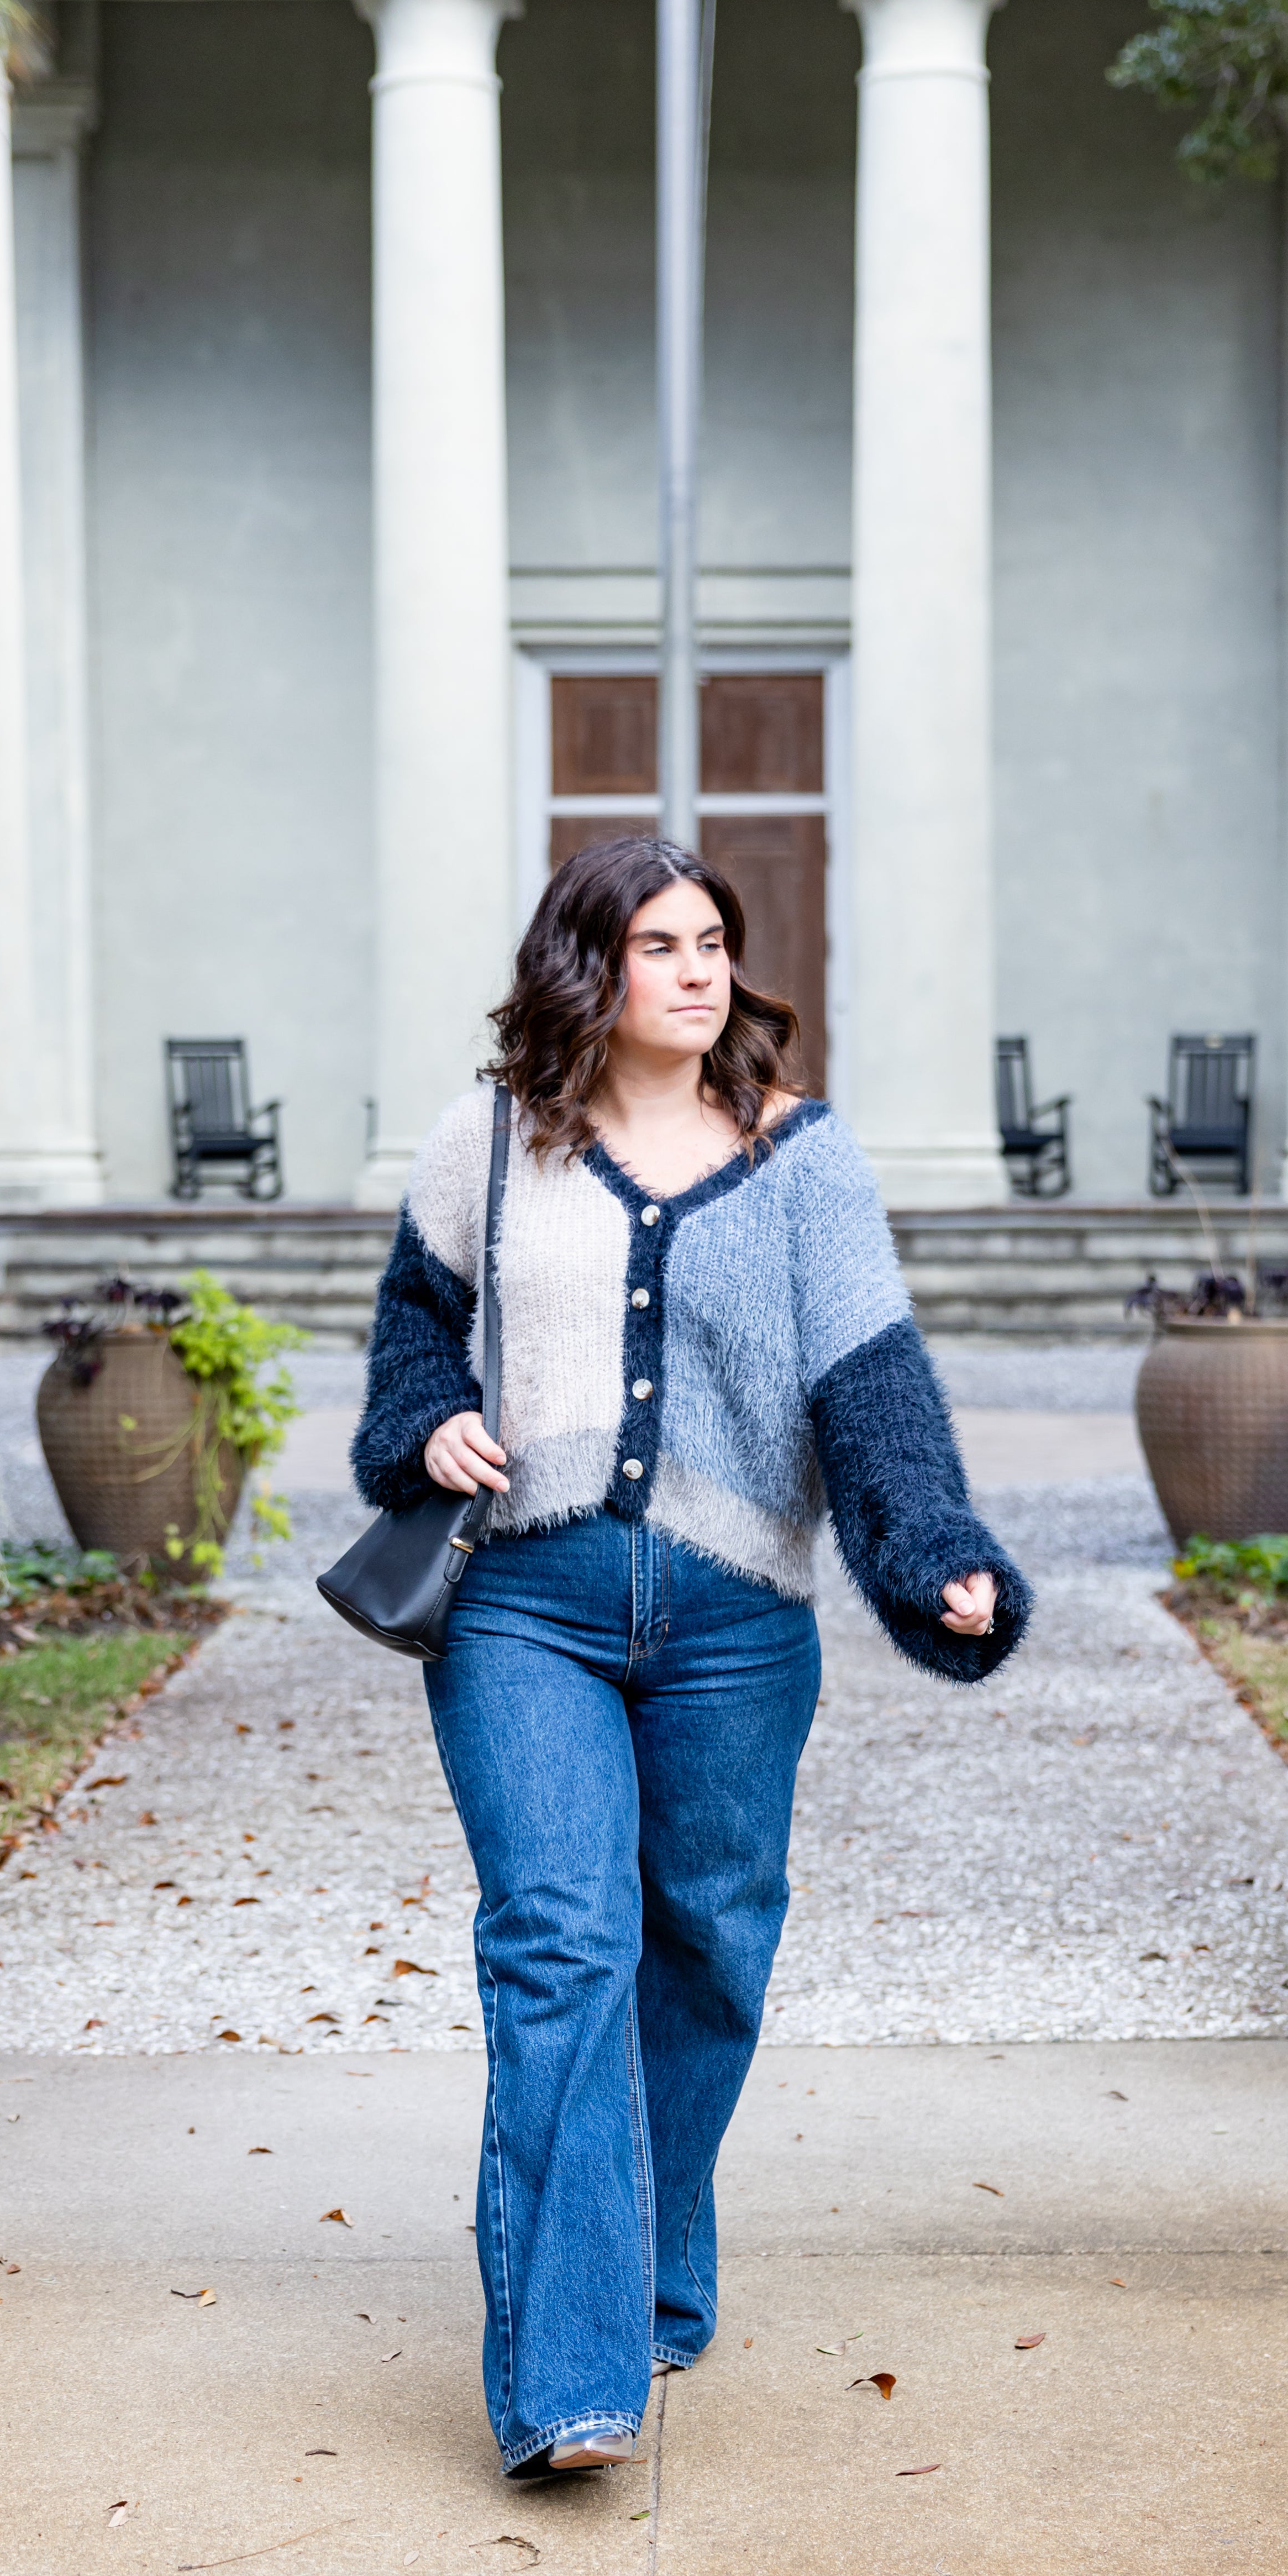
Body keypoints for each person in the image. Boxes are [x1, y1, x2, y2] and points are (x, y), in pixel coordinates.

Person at [350, 836, 1029, 2480]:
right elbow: (409, 1339)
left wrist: (934, 1550)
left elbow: (869, 1383)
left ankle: (647, 2259)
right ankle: (571, 2376)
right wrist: (428, 1423)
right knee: (562, 1944)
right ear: (589, 966)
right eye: (659, 943)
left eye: (713, 940)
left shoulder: (805, 1160)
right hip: (525, 1601)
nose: (699, 968)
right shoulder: (485, 1144)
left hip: (736, 1620)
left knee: (708, 1952)